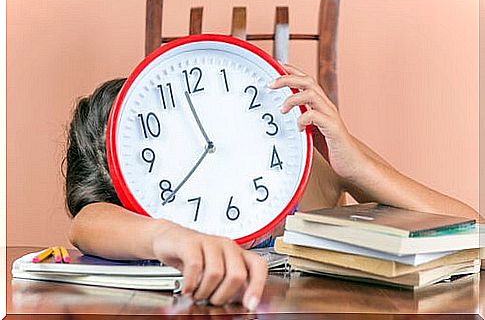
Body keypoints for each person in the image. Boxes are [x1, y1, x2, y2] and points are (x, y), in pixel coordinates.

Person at [65, 64, 479, 311]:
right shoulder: (139, 223)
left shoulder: (310, 155)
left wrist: (356, 166)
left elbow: (469, 228)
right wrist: (170, 236)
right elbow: (85, 223)